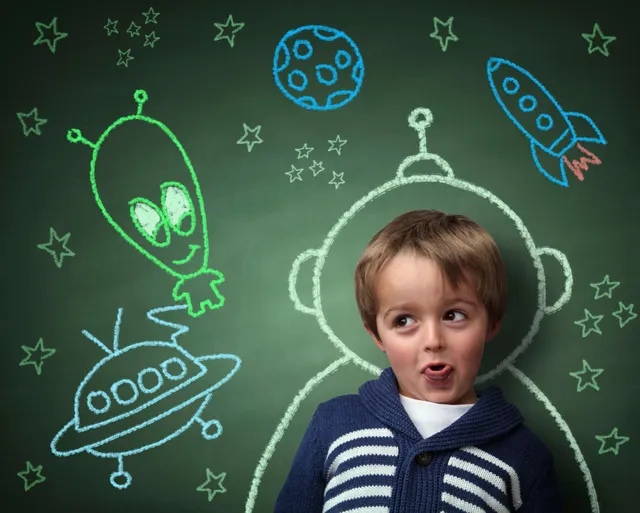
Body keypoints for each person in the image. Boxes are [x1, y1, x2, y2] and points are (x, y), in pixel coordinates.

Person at [275, 209, 562, 512]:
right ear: (376, 333)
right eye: (404, 320)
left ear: (491, 322)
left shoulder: (524, 457)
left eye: (454, 315)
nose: (433, 341)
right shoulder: (332, 426)